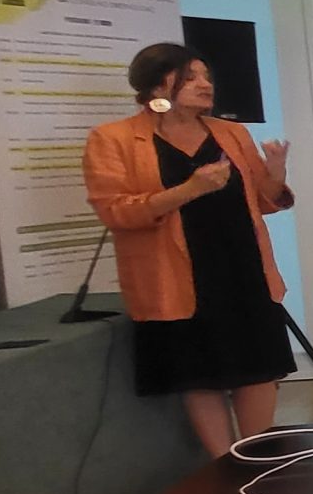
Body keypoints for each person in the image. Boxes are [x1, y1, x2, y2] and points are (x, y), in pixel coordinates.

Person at [81, 44, 297, 459]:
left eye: (206, 76)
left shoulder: (230, 133)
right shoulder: (113, 139)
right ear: (156, 85)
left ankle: (258, 461)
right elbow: (116, 212)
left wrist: (276, 171)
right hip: (173, 274)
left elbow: (263, 201)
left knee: (259, 370)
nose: (205, 84)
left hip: (243, 266)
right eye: (191, 77)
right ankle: (224, 466)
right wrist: (189, 190)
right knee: (200, 376)